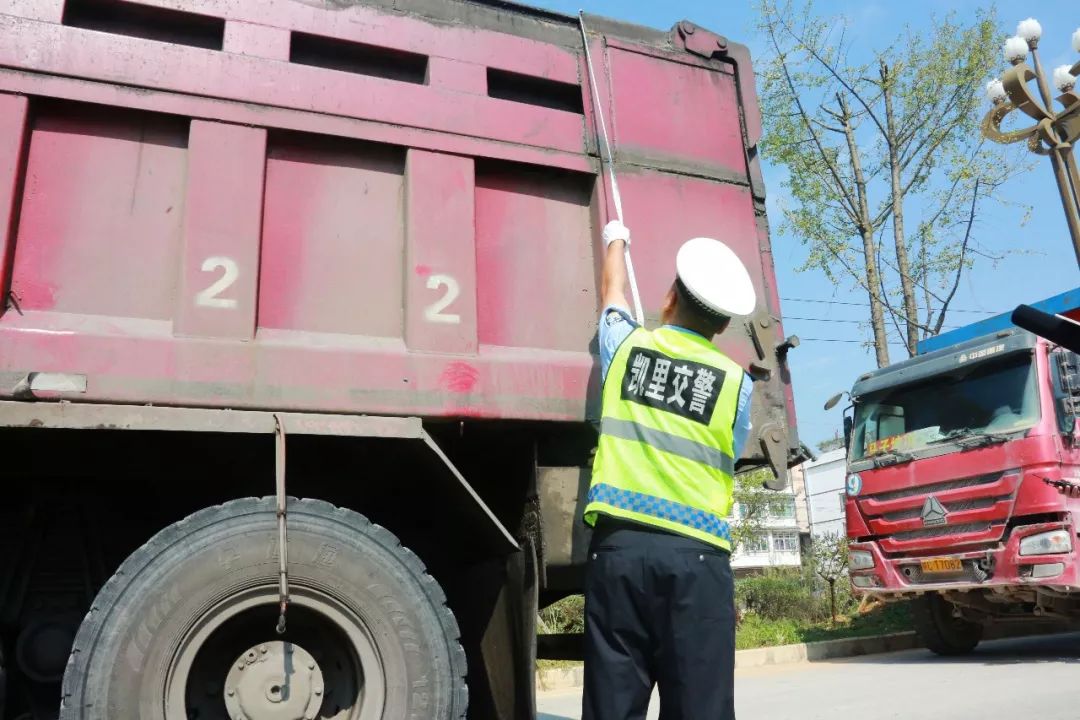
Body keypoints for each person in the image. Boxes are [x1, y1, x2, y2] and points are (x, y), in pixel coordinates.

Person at [582, 219, 756, 720]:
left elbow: (612, 294)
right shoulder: (735, 385)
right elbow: (731, 445)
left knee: (611, 706)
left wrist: (617, 237)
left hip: (619, 550)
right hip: (696, 561)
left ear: (667, 299)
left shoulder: (627, 348)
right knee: (700, 707)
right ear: (723, 326)